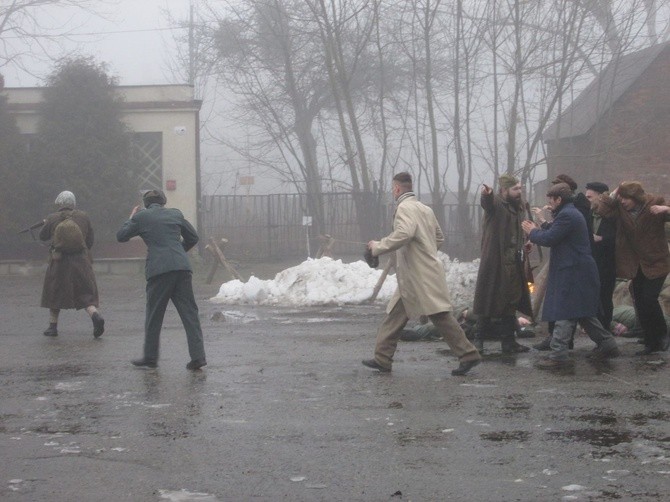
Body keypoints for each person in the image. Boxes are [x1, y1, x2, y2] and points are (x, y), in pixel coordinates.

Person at [361, 172, 481, 376]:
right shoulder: (425, 209)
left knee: (441, 316)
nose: (393, 191)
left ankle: (468, 354)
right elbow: (438, 237)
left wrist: (377, 247)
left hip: (419, 275)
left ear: (397, 188)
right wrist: (424, 252)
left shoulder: (404, 208)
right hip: (416, 274)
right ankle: (382, 358)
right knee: (395, 314)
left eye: (393, 188)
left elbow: (404, 234)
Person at [521, 183, 619, 368]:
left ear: (559, 199)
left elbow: (550, 238)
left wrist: (532, 231)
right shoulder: (570, 213)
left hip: (574, 270)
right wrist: (540, 226)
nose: (550, 204)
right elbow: (554, 232)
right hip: (577, 269)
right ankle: (607, 344)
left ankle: (558, 354)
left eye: (551, 200)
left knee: (565, 310)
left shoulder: (567, 215)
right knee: (582, 312)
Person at [116, 190, 207, 370]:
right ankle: (198, 357)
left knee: (154, 314)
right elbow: (193, 237)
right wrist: (179, 251)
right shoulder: (175, 214)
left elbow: (121, 236)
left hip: (159, 271)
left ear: (146, 203)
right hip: (182, 268)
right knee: (190, 314)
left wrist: (130, 218)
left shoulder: (141, 217)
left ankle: (150, 357)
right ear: (163, 201)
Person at [596, 181, 670, 355]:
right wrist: (614, 193)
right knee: (640, 300)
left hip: (656, 261)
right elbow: (602, 209)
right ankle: (650, 339)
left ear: (635, 198)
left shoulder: (654, 203)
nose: (623, 202)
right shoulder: (620, 209)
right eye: (621, 198)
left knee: (649, 299)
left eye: (626, 199)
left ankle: (662, 335)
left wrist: (665, 210)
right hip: (635, 264)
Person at [471, 174, 532, 354]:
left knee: (510, 301)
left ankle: (508, 342)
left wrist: (526, 243)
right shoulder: (497, 204)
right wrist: (487, 195)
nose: (519, 192)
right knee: (488, 299)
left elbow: (517, 231)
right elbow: (487, 204)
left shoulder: (518, 207)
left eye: (520, 188)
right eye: (515, 189)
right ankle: (478, 341)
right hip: (495, 261)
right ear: (504, 190)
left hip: (513, 260)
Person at [39, 191, 105, 338]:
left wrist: (47, 223)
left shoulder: (52, 218)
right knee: (85, 293)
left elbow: (42, 236)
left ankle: (52, 327)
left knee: (54, 293)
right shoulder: (83, 217)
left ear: (59, 204)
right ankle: (95, 315)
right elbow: (90, 241)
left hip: (59, 262)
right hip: (81, 261)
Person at [584, 181, 617, 329]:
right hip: (591, 262)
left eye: (590, 197)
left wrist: (602, 239)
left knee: (605, 297)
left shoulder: (613, 214)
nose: (587, 200)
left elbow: (621, 238)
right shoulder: (589, 214)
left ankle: (605, 329)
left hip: (608, 262)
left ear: (601, 197)